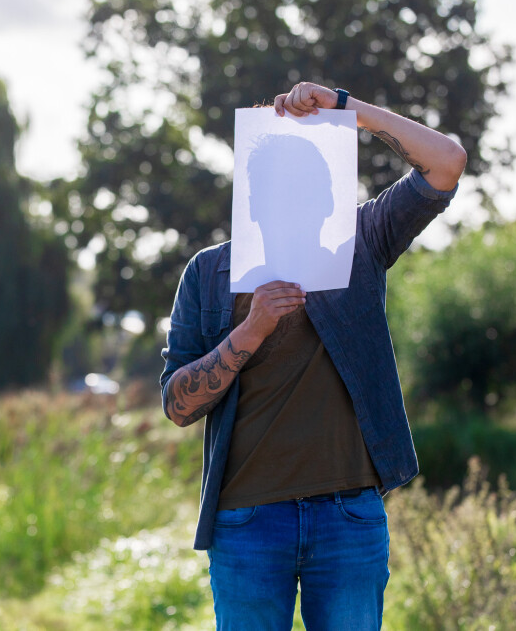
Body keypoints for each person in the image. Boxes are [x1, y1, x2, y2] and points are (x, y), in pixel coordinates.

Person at [160, 81, 467, 630]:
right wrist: (250, 331)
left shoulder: (361, 243)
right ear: (251, 191)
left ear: (329, 191)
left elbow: (446, 162)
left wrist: (347, 108)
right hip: (246, 522)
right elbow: (178, 406)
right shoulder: (209, 274)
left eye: (309, 182)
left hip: (347, 517)